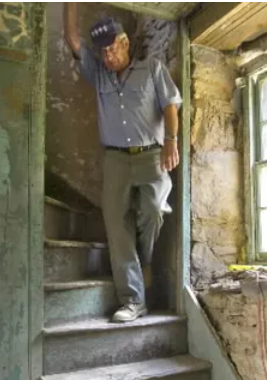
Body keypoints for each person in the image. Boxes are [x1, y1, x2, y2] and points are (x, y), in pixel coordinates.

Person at [63, 4, 182, 322]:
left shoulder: (153, 69)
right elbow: (72, 38)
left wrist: (171, 141)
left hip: (152, 155)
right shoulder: (99, 73)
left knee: (154, 210)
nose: (107, 57)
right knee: (118, 228)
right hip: (115, 159)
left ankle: (143, 261)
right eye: (102, 52)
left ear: (126, 43)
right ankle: (133, 301)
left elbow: (171, 106)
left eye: (112, 48)